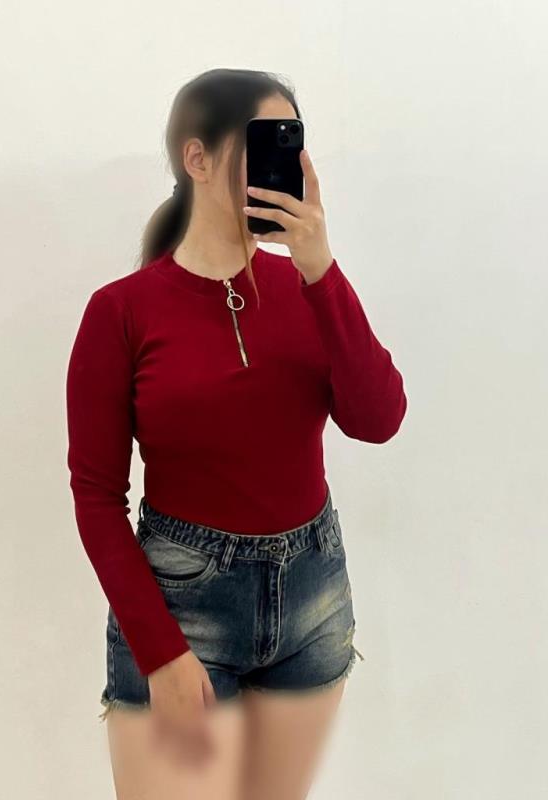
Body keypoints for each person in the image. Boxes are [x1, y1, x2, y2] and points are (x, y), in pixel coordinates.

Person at [65, 67, 407, 800]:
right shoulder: (122, 311)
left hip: (313, 596)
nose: (285, 163)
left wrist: (320, 267)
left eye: (292, 142)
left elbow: (379, 419)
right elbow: (95, 496)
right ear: (197, 157)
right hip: (182, 605)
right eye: (263, 141)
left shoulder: (308, 288)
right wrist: (160, 653)